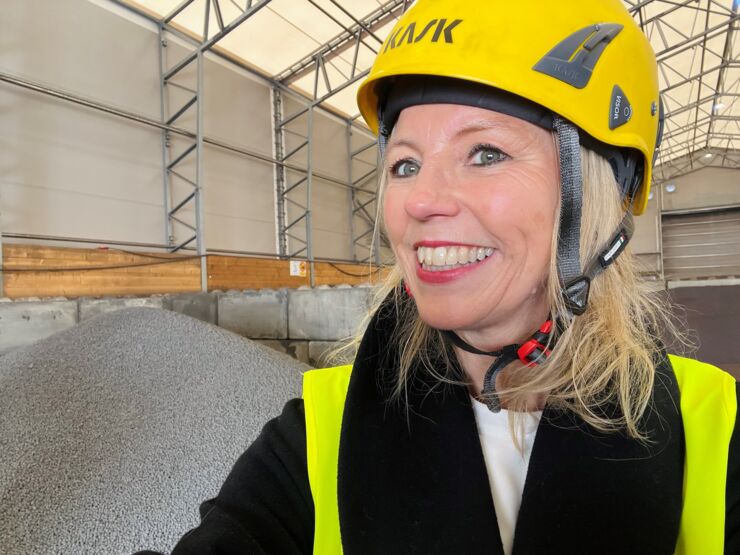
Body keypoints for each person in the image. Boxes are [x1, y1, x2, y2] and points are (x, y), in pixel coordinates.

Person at [136, 0, 738, 553]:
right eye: (404, 163)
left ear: (604, 193)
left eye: (486, 154)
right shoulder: (321, 430)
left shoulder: (712, 427)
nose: (420, 200)